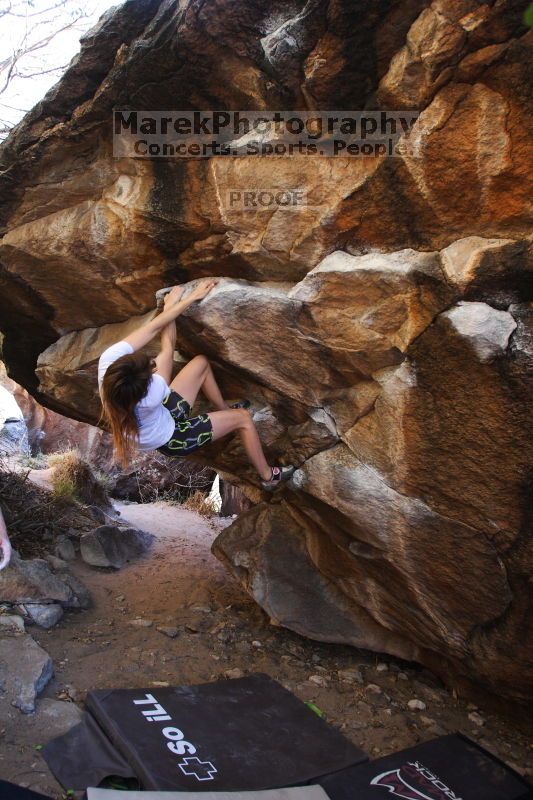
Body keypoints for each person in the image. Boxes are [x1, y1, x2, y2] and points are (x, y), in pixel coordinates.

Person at [98, 279, 295, 491]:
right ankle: (268, 475)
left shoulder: (109, 364)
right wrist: (185, 300)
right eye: (150, 371)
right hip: (172, 437)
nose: (153, 367)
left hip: (159, 417)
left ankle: (223, 411)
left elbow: (153, 327)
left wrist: (171, 306)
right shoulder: (152, 393)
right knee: (244, 419)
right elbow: (168, 347)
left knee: (201, 363)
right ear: (145, 387)